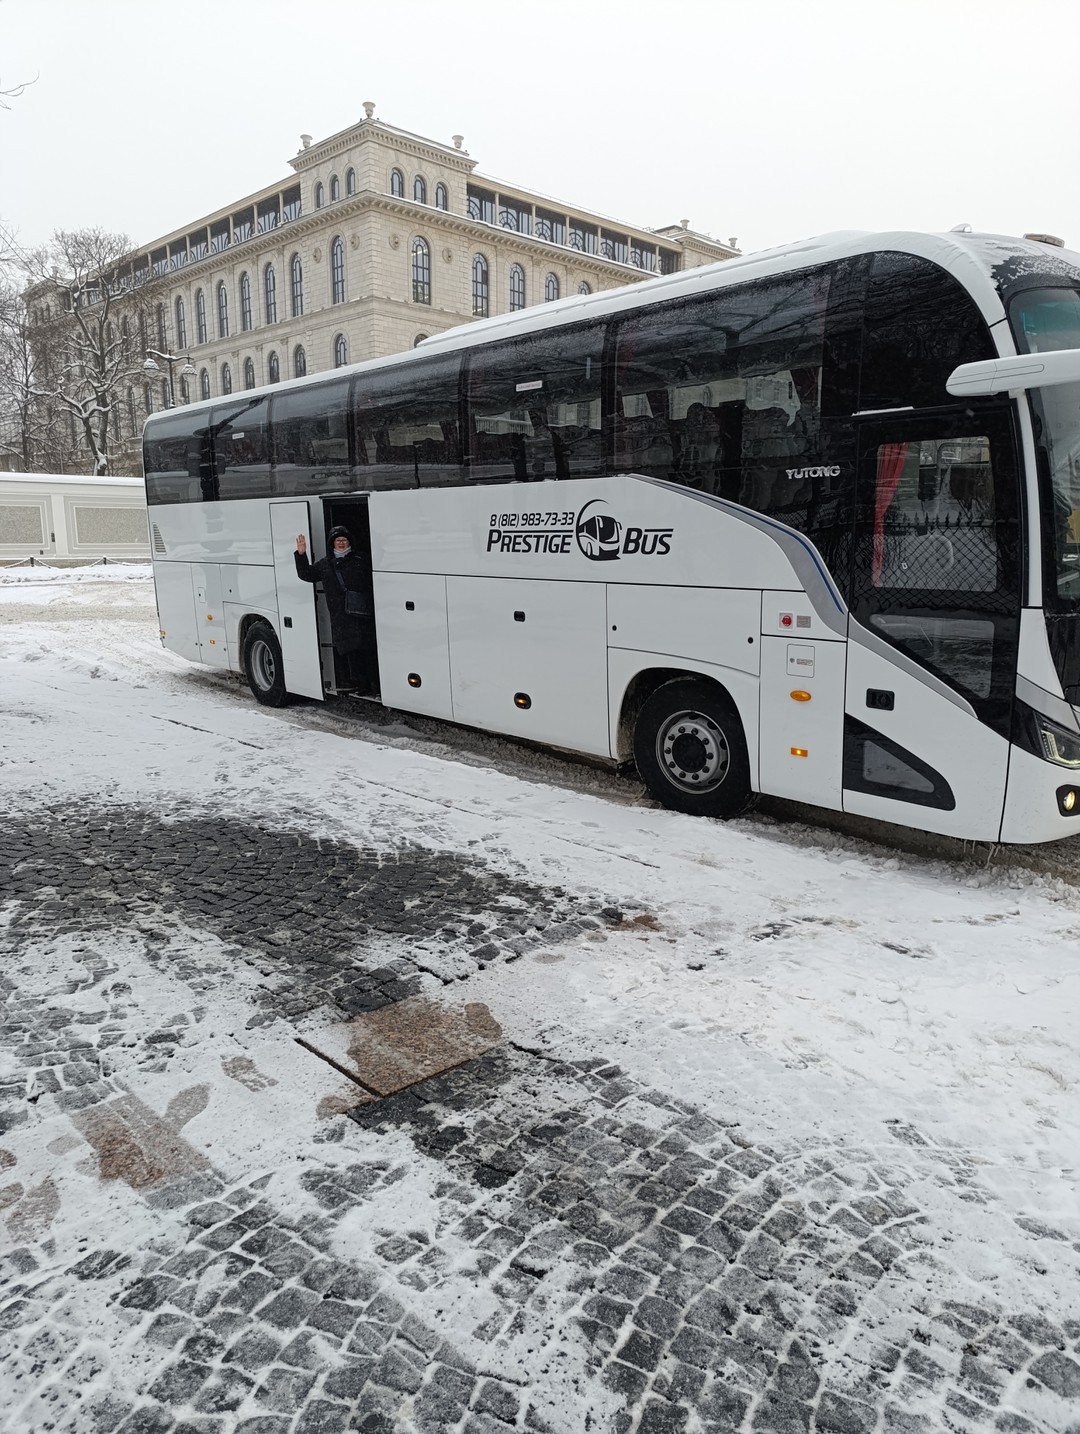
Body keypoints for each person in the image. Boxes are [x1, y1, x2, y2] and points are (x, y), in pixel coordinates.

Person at [294, 526, 376, 691]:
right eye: (337, 540)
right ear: (332, 543)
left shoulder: (361, 559)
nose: (341, 543)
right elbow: (306, 574)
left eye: (344, 540)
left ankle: (373, 684)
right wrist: (301, 555)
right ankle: (358, 684)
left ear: (349, 542)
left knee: (367, 649)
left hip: (362, 612)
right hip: (341, 615)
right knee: (349, 650)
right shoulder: (326, 564)